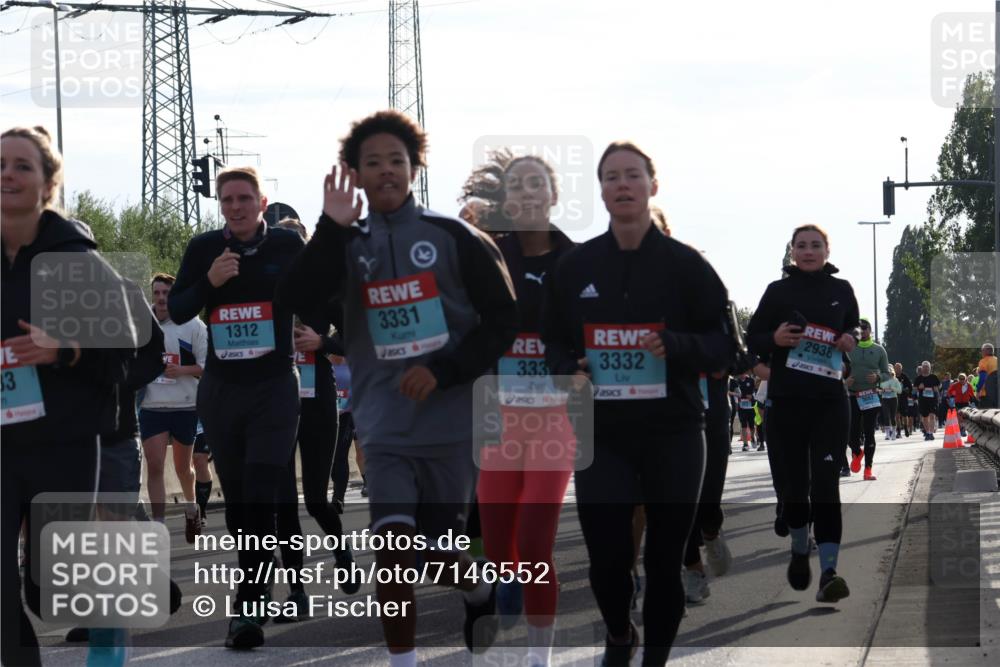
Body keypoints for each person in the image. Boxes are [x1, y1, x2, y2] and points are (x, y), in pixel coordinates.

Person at [279, 110, 519, 665]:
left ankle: (477, 586)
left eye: (396, 161)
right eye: (373, 163)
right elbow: (294, 296)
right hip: (383, 426)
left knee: (435, 555)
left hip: (450, 425)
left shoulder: (456, 237)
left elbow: (503, 321)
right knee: (391, 552)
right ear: (355, 175)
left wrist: (445, 370)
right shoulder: (343, 243)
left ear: (414, 168)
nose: (385, 171)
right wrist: (329, 228)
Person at [542, 140, 732, 666]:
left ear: (653, 185)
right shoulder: (576, 267)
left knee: (666, 559)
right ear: (601, 190)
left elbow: (725, 348)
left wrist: (676, 345)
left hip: (674, 431)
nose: (622, 185)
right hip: (603, 434)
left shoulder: (687, 266)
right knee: (606, 559)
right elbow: (552, 342)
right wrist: (566, 368)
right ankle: (620, 634)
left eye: (632, 175)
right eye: (611, 177)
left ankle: (655, 659)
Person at [1, 126, 138, 665]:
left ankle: (108, 633)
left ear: (47, 183)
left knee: (54, 584)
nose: (8, 174)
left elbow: (127, 355)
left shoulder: (76, 261)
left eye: (22, 166)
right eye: (0, 165)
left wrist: (64, 350)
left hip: (63, 440)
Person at [169, 166, 306, 650]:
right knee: (240, 506)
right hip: (223, 392)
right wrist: (209, 280)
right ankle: (255, 588)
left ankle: (248, 608)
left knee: (263, 496)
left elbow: (320, 293)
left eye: (244, 198)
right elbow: (180, 309)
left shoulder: (287, 247)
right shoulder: (204, 247)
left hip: (274, 388)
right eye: (227, 200)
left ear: (262, 202)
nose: (235, 207)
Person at [461, 149, 577, 666]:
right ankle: (496, 588)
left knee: (534, 544)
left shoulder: (576, 260)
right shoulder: (485, 254)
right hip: (495, 413)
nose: (528, 194)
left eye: (537, 184)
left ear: (552, 195)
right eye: (517, 186)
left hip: (556, 416)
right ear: (505, 200)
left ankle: (538, 655)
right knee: (499, 544)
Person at [746, 223, 859, 604]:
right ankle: (799, 549)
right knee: (794, 490)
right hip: (787, 402)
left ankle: (829, 572)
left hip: (829, 403)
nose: (808, 251)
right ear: (792, 252)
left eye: (815, 245)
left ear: (827, 250)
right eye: (801, 245)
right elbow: (752, 338)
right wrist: (774, 340)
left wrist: (850, 338)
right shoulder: (778, 292)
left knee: (826, 489)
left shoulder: (841, 290)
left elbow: (853, 327)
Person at [139, 272, 208, 539]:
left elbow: (206, 367)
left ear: (174, 295)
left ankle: (191, 510)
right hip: (152, 406)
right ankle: (159, 524)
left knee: (183, 468)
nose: (160, 299)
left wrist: (181, 370)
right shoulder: (143, 325)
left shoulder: (193, 326)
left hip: (185, 406)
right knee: (154, 464)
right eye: (156, 293)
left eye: (165, 293)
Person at [846, 319, 889, 480]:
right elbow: (836, 368)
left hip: (871, 395)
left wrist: (878, 377)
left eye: (865, 328)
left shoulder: (879, 350)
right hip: (851, 395)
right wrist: (844, 381)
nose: (862, 331)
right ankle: (857, 452)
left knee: (869, 433)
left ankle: (868, 469)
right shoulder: (848, 348)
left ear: (870, 330)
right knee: (851, 432)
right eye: (858, 328)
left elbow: (887, 374)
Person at [914, 361, 942, 439]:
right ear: (922, 368)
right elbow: (914, 389)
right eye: (924, 367)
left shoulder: (934, 377)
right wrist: (919, 387)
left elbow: (939, 386)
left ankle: (931, 433)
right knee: (925, 417)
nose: (926, 368)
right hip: (923, 400)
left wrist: (936, 388)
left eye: (927, 367)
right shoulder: (919, 378)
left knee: (932, 415)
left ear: (930, 368)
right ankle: (927, 432)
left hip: (933, 399)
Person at [879, 367, 902, 441]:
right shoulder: (882, 381)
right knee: (886, 416)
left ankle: (894, 433)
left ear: (893, 374)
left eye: (890, 374)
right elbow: (878, 389)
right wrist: (882, 390)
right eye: (887, 374)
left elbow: (899, 391)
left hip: (893, 399)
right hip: (885, 399)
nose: (889, 375)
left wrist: (893, 388)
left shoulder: (895, 381)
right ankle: (887, 434)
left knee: (892, 416)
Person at [976, 343, 998, 408]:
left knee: (984, 415)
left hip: (986, 394)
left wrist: (977, 391)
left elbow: (982, 378)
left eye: (982, 350)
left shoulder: (983, 361)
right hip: (997, 394)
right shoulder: (997, 360)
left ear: (986, 351)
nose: (981, 352)